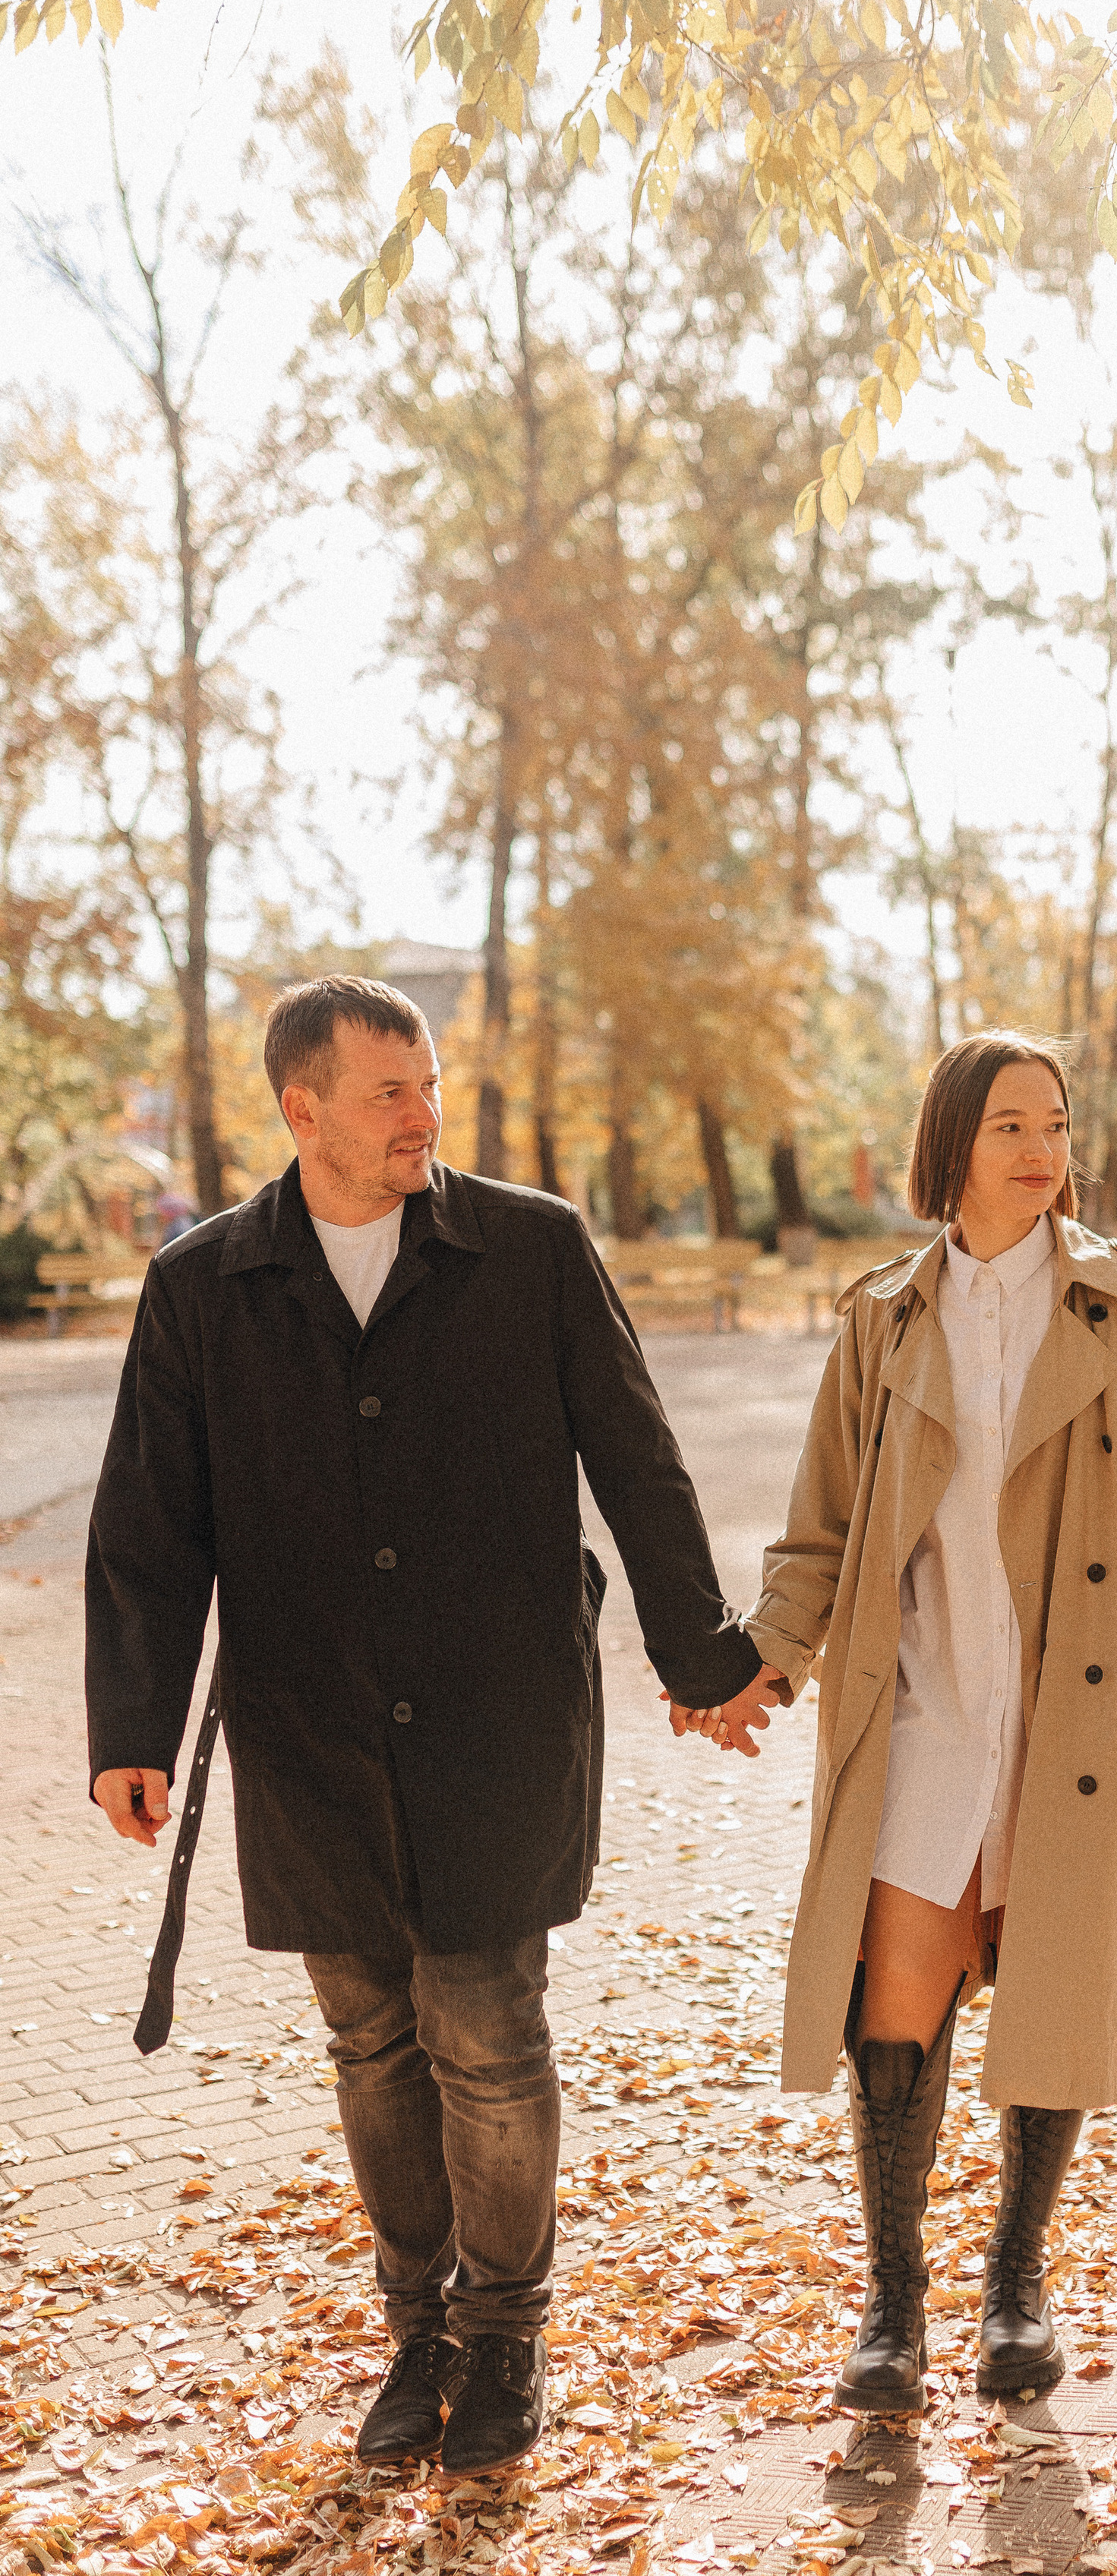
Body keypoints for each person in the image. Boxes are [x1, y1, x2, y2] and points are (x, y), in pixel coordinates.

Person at [85, 976, 770, 2475]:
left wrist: (702, 1657)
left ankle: (505, 2341)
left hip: (498, 1718)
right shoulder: (204, 1286)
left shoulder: (526, 1249)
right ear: (302, 1105)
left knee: (485, 2031)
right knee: (372, 2042)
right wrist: (129, 1724)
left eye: (429, 1082)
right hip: (309, 1728)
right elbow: (149, 1520)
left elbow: (637, 1460)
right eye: (388, 1089)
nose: (421, 1113)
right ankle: (416, 2339)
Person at [716, 1031, 1117, 2413]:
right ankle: (892, 2302)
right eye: (1010, 1124)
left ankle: (1016, 2282)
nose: (1042, 1148)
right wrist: (763, 1668)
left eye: (1055, 1123)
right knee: (897, 1998)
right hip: (925, 1705)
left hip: (1079, 1711)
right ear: (953, 1145)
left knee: (1051, 1985)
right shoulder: (882, 1320)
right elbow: (815, 1538)